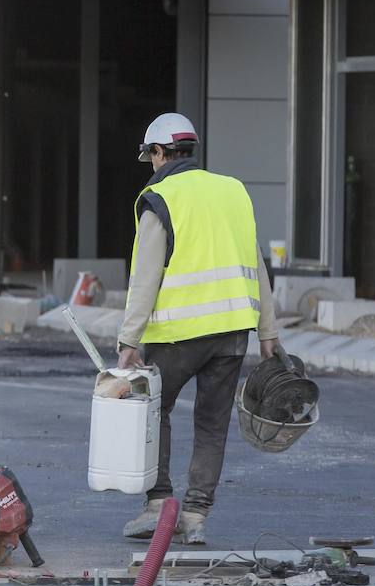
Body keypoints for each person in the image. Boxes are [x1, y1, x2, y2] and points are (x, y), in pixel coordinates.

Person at [117, 114, 280, 545]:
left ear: (158, 153)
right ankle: (194, 516)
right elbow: (256, 264)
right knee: (212, 424)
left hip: (177, 334)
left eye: (150, 156)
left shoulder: (160, 197)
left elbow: (145, 275)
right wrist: (268, 330)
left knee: (153, 411)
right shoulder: (234, 191)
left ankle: (158, 505)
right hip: (232, 333)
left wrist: (128, 340)